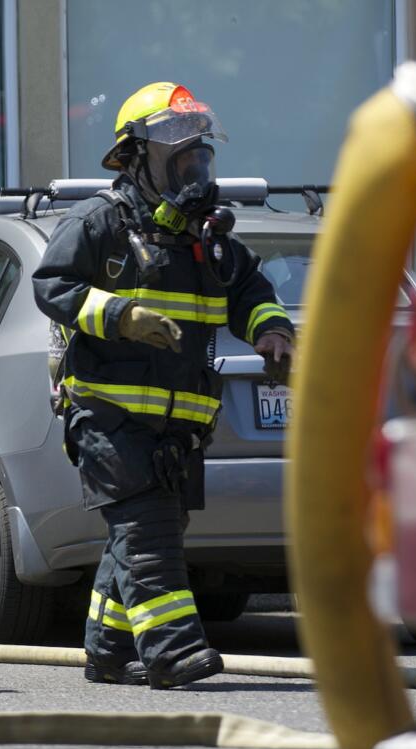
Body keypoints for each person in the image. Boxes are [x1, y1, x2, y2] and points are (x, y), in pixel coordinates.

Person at [32, 82, 295, 689]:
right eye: (177, 148)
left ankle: (107, 648)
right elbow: (52, 286)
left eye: (199, 149)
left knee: (144, 531)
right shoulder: (100, 223)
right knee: (149, 535)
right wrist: (120, 315)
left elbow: (251, 292)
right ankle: (173, 652)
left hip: (180, 425)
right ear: (135, 156)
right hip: (110, 419)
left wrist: (273, 332)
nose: (193, 163)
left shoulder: (207, 239)